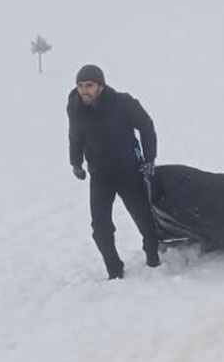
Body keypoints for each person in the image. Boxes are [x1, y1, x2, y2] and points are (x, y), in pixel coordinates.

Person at [67, 65, 161, 279]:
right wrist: (76, 162)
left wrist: (149, 159)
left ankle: (153, 257)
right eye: (80, 86)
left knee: (143, 217)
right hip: (100, 174)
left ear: (101, 85)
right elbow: (75, 135)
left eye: (89, 85)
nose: (84, 90)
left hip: (128, 170)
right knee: (100, 227)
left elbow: (146, 126)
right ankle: (114, 270)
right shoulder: (75, 107)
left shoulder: (122, 103)